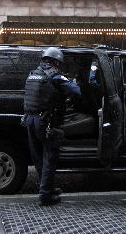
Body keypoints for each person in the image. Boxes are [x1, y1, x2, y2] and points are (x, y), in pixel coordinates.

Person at [23, 47, 81, 206]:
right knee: (50, 157)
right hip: (46, 122)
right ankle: (46, 195)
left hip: (29, 120)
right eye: (59, 63)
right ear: (55, 61)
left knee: (39, 157)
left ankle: (46, 188)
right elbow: (75, 91)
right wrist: (69, 82)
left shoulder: (32, 74)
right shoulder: (54, 75)